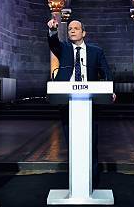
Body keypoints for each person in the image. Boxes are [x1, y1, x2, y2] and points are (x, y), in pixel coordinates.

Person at [47, 18, 112, 185]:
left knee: (91, 141)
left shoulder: (96, 51)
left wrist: (109, 89)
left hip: (90, 102)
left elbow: (106, 72)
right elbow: (53, 43)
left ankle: (93, 180)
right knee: (71, 142)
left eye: (76, 28)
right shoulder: (64, 49)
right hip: (67, 101)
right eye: (69, 29)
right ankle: (75, 181)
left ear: (83, 33)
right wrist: (53, 31)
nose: (72, 31)